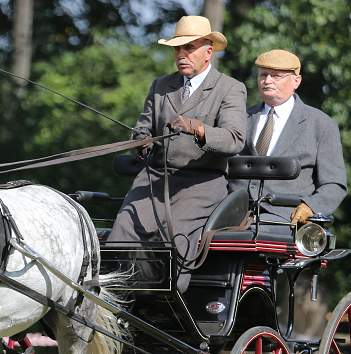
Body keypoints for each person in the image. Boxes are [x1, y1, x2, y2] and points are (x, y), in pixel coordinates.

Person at [106, 15, 247, 291]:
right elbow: (141, 129)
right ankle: (118, 299)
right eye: (177, 49)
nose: (181, 55)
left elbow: (235, 139)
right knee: (120, 232)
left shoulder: (229, 88)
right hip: (154, 179)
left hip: (201, 183)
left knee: (171, 239)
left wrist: (198, 129)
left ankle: (165, 304)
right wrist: (141, 143)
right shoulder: (161, 86)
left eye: (189, 48)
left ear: (208, 52)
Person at [228, 50, 347, 234]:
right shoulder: (240, 119)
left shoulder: (320, 124)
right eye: (263, 75)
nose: (267, 81)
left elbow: (334, 184)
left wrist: (312, 206)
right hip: (234, 216)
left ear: (296, 81)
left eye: (276, 76)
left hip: (287, 220)